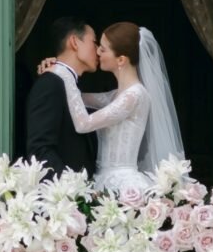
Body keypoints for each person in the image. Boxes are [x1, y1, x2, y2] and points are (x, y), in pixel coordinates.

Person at [42, 22, 184, 192]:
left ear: (121, 60)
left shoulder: (135, 95)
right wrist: (54, 69)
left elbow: (83, 123)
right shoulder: (116, 96)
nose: (97, 52)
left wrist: (62, 71)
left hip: (124, 183)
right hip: (102, 180)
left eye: (103, 49)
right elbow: (74, 99)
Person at [25, 17, 99, 177]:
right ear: (74, 42)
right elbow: (40, 149)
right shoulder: (50, 84)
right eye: (94, 42)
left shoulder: (69, 83)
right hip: (65, 195)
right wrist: (74, 188)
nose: (98, 50)